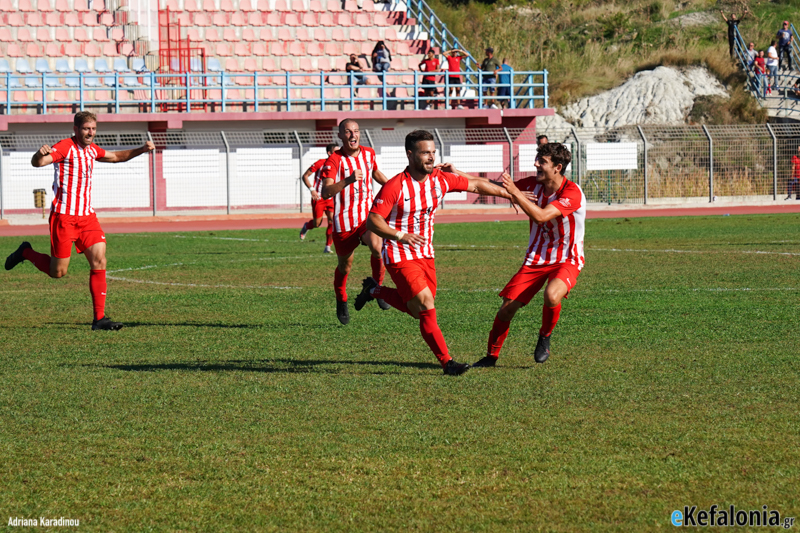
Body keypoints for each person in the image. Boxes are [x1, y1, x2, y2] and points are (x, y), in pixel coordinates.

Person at [357, 130, 516, 375]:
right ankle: (447, 363)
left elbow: (475, 185)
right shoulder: (394, 186)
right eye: (425, 153)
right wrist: (400, 235)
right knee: (425, 303)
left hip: (425, 254)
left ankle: (374, 290)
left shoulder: (440, 179)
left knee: (416, 309)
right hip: (399, 253)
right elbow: (373, 221)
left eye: (433, 152)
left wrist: (510, 194)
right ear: (410, 154)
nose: (431, 157)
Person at [4, 111, 155, 330]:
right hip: (63, 218)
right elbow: (39, 163)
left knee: (99, 260)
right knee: (58, 272)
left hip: (87, 218)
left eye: (93, 129)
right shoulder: (65, 147)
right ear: (76, 130)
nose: (90, 133)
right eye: (86, 128)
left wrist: (141, 150)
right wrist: (38, 154)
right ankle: (25, 252)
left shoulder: (92, 150)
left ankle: (99, 319)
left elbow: (115, 157)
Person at [474, 143, 586, 367]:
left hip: (567, 258)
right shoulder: (534, 185)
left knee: (552, 295)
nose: (536, 164)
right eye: (537, 159)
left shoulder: (571, 192)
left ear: (558, 167)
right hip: (536, 258)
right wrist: (455, 173)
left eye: (542, 162)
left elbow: (542, 216)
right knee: (507, 308)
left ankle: (545, 337)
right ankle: (491, 357)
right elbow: (488, 186)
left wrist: (515, 193)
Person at [321, 119, 391, 324]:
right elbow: (326, 191)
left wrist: (392, 187)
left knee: (378, 247)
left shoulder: (369, 153)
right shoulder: (334, 160)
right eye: (348, 132)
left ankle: (377, 289)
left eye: (356, 131)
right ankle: (341, 299)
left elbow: (375, 172)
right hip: (344, 221)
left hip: (367, 217)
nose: (353, 135)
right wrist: (348, 180)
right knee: (345, 267)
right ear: (341, 136)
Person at [300, 143, 338, 253]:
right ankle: (307, 226)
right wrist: (312, 190)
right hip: (319, 198)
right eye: (336, 151)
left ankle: (327, 247)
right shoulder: (321, 163)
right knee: (317, 224)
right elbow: (305, 176)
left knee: (332, 221)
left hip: (331, 198)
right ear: (329, 153)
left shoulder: (340, 164)